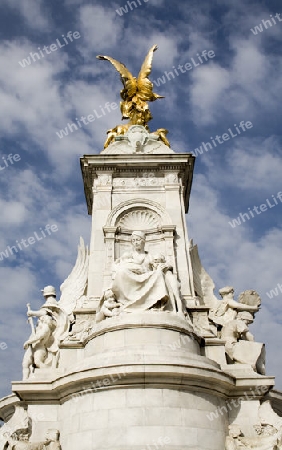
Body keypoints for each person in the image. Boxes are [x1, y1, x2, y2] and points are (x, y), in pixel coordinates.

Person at [111, 231, 170, 312]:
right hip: (131, 279)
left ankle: (151, 302)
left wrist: (162, 267)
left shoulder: (150, 256)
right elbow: (118, 266)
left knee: (159, 273)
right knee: (121, 272)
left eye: (138, 240)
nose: (135, 242)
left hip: (147, 279)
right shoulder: (128, 255)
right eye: (134, 240)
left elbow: (159, 266)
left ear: (143, 241)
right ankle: (127, 300)